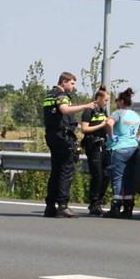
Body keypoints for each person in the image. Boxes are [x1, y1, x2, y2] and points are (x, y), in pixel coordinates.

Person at [42, 72, 96, 218]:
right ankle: (63, 206)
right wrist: (86, 106)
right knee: (66, 171)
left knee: (56, 171)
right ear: (64, 82)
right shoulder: (61, 95)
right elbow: (64, 110)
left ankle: (50, 207)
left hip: (52, 135)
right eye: (72, 83)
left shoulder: (49, 94)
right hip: (62, 137)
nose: (73, 86)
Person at [103, 87, 140, 219]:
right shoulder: (135, 115)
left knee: (117, 179)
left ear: (121, 101)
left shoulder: (118, 113)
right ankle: (128, 208)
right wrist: (138, 139)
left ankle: (116, 207)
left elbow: (108, 123)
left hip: (119, 149)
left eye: (117, 100)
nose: (116, 102)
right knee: (129, 179)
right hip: (133, 149)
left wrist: (111, 136)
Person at [80, 85, 112, 215]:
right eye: (105, 100)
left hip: (103, 145)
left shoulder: (103, 111)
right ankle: (93, 203)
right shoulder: (89, 111)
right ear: (98, 98)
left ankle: (99, 200)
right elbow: (84, 129)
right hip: (93, 145)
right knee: (97, 175)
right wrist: (101, 125)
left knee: (106, 174)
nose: (107, 103)